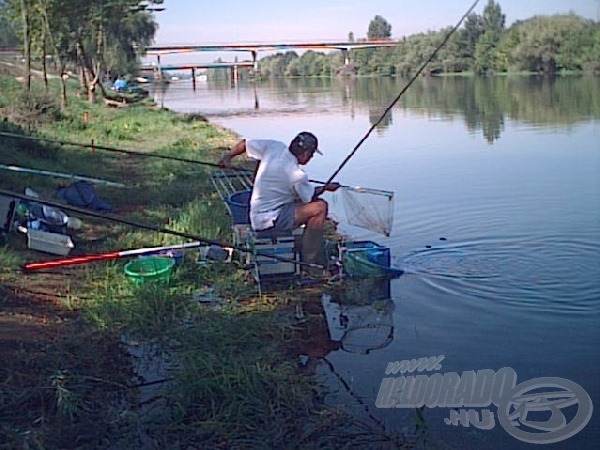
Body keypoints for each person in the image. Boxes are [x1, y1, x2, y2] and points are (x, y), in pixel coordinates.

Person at [218, 131, 340, 277]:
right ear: (306, 153)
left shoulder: (275, 147)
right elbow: (309, 197)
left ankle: (306, 251)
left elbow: (245, 144)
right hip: (269, 221)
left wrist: (228, 157)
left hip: (257, 213)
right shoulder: (297, 175)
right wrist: (326, 188)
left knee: (301, 201)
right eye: (312, 154)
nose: (311, 157)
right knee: (320, 207)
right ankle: (311, 265)